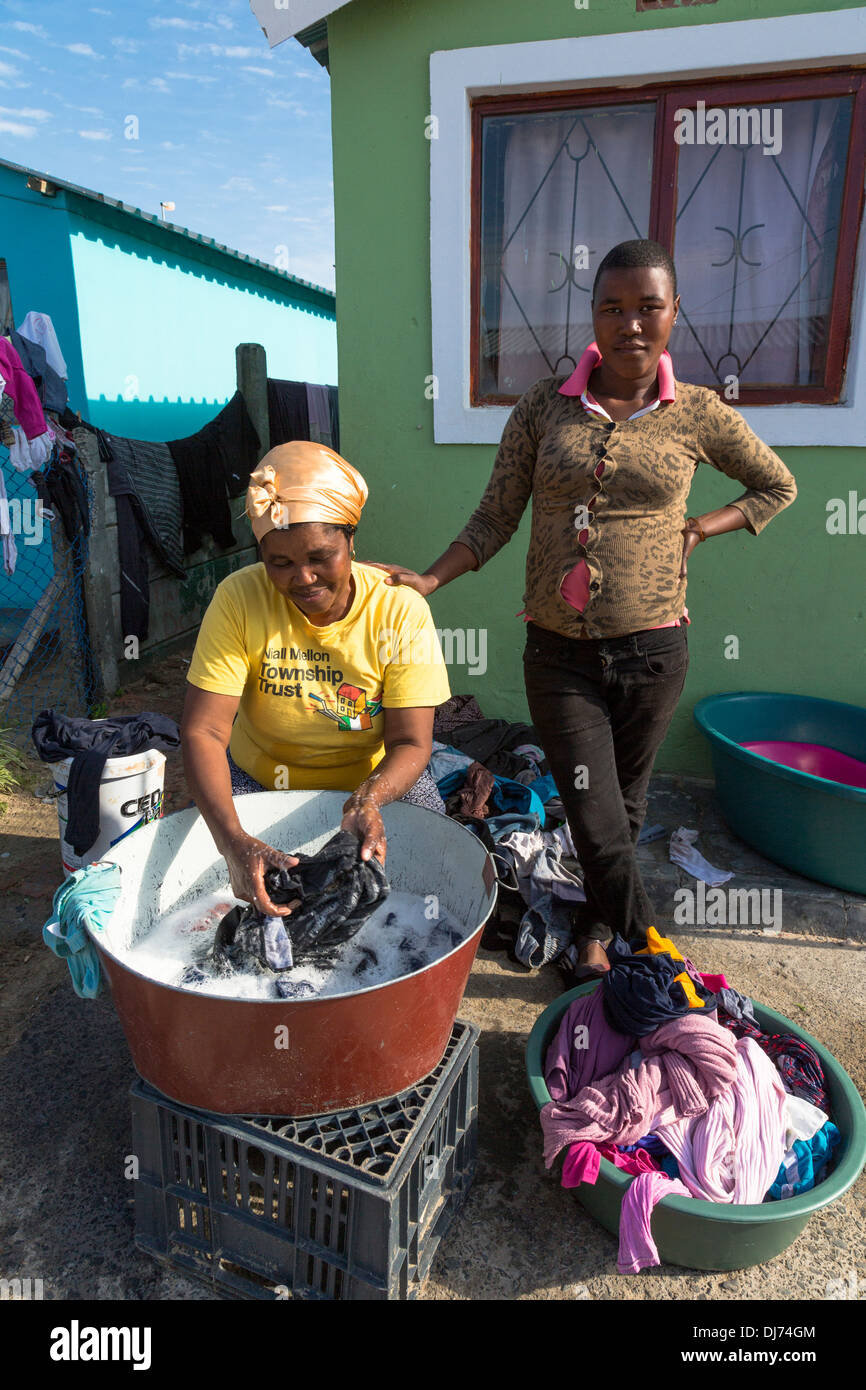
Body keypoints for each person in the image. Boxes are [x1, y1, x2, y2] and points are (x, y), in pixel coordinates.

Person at [373, 239, 797, 980]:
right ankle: (657, 955)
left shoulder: (696, 412)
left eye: (648, 307)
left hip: (654, 651)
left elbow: (776, 485)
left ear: (673, 315)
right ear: (593, 314)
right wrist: (431, 580)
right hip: (559, 652)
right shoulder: (544, 406)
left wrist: (702, 526)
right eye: (613, 306)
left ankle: (596, 935)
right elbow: (495, 516)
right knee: (594, 811)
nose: (630, 323)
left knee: (624, 808)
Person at [181, 440, 451, 919]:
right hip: (258, 776)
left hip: (374, 782)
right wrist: (233, 842)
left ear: (352, 541)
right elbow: (204, 731)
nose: (302, 579)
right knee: (226, 901)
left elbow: (411, 742)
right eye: (279, 563)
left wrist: (368, 799)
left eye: (321, 556)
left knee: (429, 886)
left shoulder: (399, 611)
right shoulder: (239, 599)